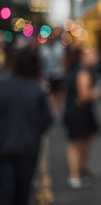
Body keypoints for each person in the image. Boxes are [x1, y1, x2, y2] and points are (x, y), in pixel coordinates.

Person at [0, 47, 53, 205]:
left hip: (2, 147)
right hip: (28, 148)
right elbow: (46, 121)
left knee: (5, 191)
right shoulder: (37, 91)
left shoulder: (3, 86)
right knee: (23, 191)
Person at [63, 47, 101, 189]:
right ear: (83, 57)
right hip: (78, 114)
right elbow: (84, 95)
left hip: (81, 113)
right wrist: (97, 93)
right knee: (76, 145)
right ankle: (75, 175)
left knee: (84, 142)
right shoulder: (83, 73)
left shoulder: (82, 71)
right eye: (92, 54)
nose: (95, 57)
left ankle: (81, 171)